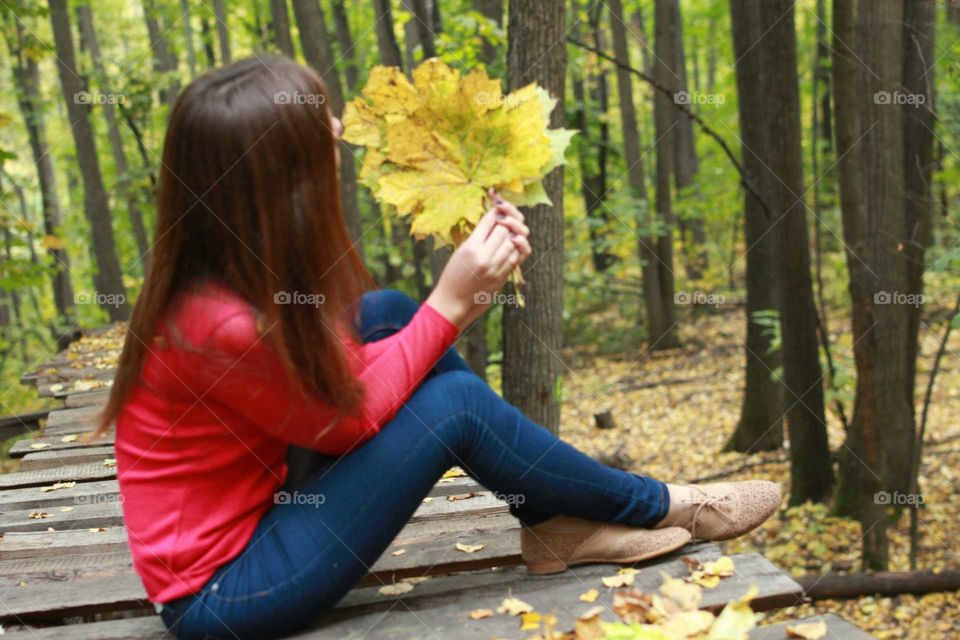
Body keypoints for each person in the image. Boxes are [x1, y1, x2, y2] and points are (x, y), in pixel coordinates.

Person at [101, 57, 781, 640]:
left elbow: (330, 392)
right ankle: (659, 503)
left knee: (388, 315)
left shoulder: (234, 273)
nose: (338, 129)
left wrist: (446, 298)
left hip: (271, 506)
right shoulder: (216, 324)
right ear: (276, 183)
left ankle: (555, 524)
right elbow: (347, 423)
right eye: (320, 132)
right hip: (222, 593)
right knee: (451, 402)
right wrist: (452, 303)